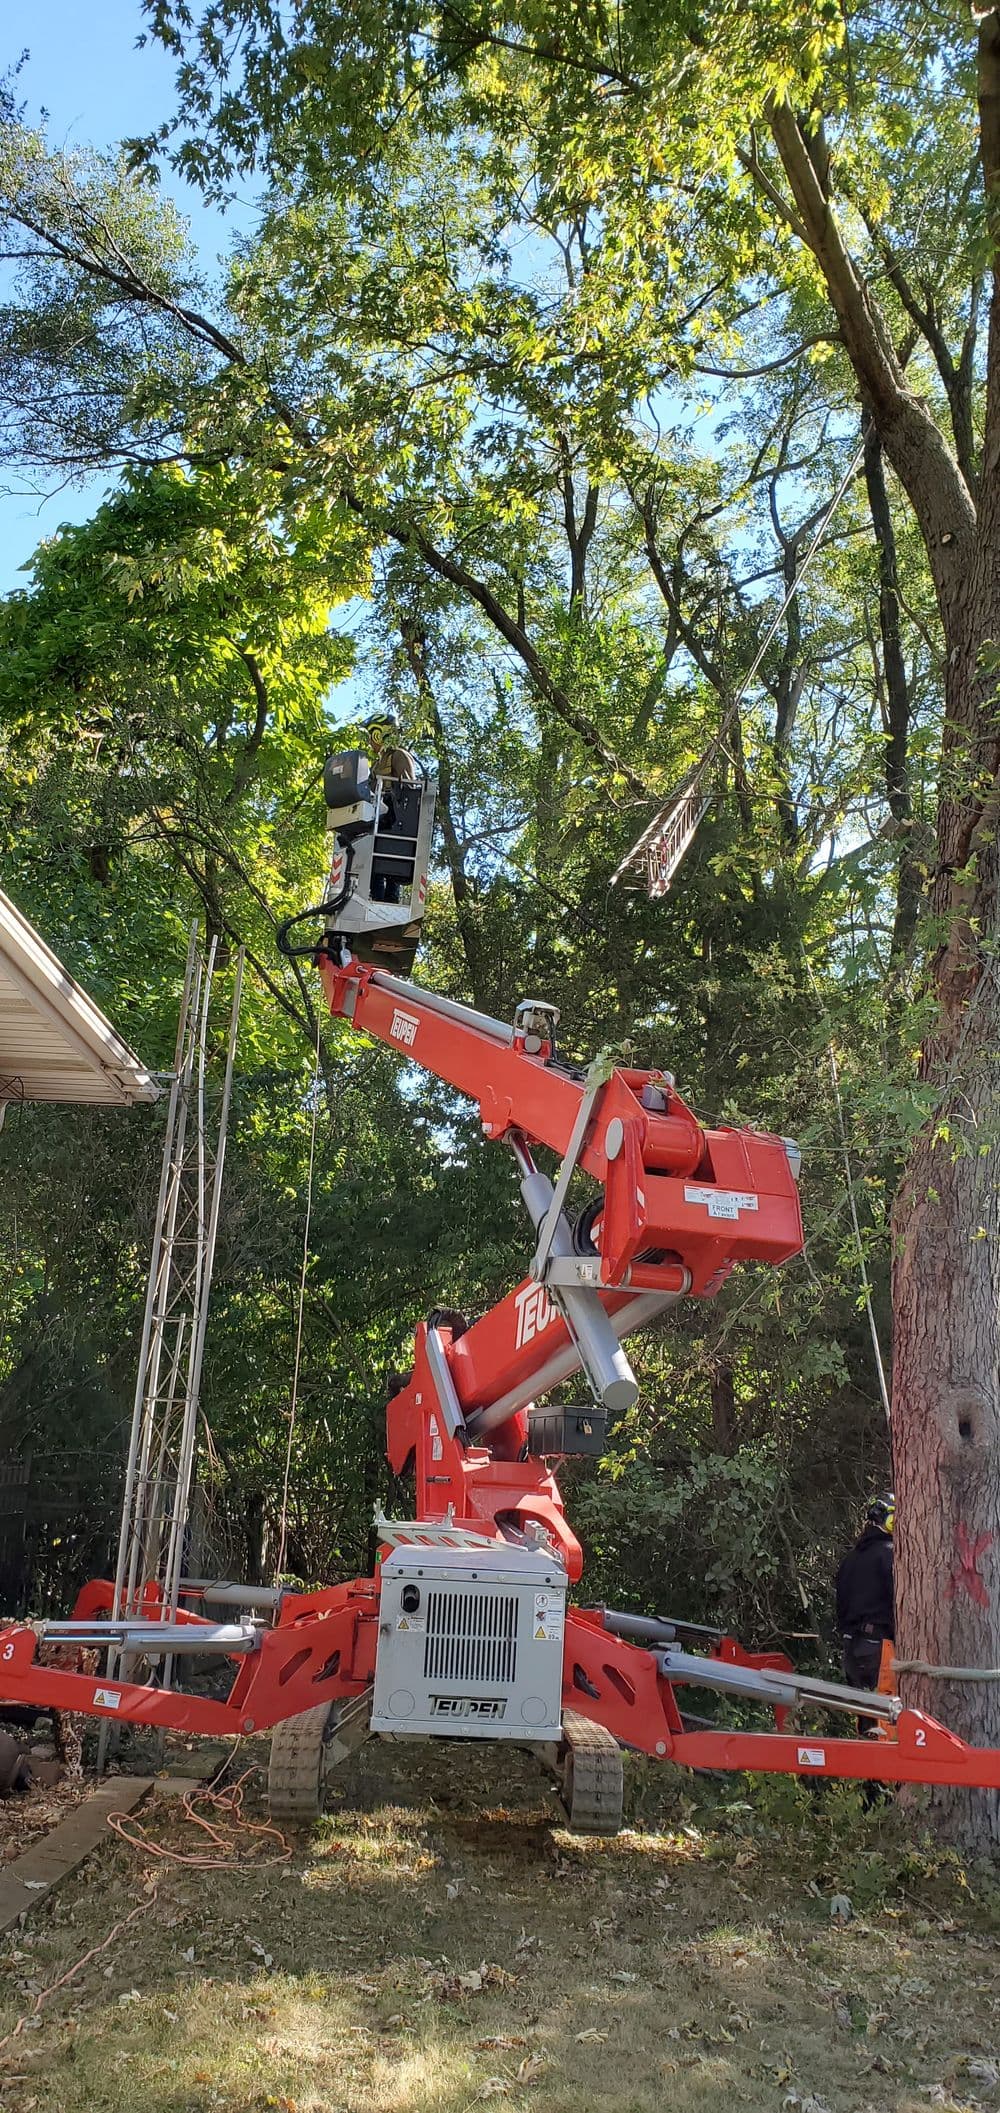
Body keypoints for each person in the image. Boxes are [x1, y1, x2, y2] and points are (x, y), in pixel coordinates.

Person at [835, 1492, 895, 1703]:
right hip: (878, 1650)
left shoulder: (851, 1559)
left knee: (865, 1720)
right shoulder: (890, 1555)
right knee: (886, 1722)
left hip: (851, 1648)